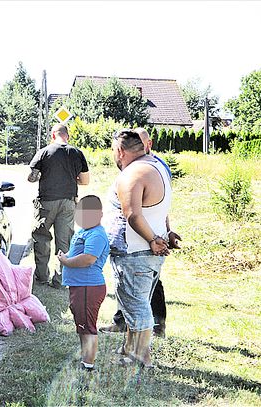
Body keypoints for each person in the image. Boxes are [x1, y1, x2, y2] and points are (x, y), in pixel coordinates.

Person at [99, 128, 181, 337]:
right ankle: (130, 348)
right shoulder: (157, 167)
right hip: (145, 251)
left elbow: (133, 215)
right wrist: (165, 232)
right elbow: (158, 206)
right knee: (137, 303)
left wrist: (153, 239)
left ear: (120, 150)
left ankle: (139, 354)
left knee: (138, 308)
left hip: (135, 252)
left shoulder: (134, 173)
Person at [28, 123, 90, 288]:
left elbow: (31, 177)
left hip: (46, 203)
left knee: (41, 238)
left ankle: (41, 277)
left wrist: (42, 174)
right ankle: (61, 280)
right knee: (65, 242)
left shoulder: (44, 152)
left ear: (53, 135)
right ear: (67, 136)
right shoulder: (77, 153)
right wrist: (70, 177)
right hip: (68, 203)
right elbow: (85, 181)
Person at [57, 195, 109, 371]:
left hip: (89, 286)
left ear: (100, 214)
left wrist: (66, 261)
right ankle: (84, 357)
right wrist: (67, 255)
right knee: (82, 324)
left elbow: (88, 259)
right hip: (79, 286)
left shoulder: (97, 234)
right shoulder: (84, 231)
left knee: (88, 326)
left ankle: (88, 365)